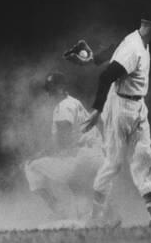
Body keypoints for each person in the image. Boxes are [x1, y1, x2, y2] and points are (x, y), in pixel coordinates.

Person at [67, 11, 151, 228]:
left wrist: (92, 59)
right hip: (119, 107)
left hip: (138, 105)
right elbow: (106, 76)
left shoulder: (138, 41)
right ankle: (95, 218)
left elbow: (113, 51)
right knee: (113, 163)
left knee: (145, 155)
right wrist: (97, 109)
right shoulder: (135, 48)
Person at [24, 72, 104, 219]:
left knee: (31, 166)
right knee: (75, 184)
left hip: (83, 157)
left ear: (61, 88)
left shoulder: (63, 107)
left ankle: (59, 210)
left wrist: (41, 154)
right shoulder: (74, 102)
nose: (49, 93)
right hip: (96, 155)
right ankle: (96, 216)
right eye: (48, 89)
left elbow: (63, 140)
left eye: (51, 89)